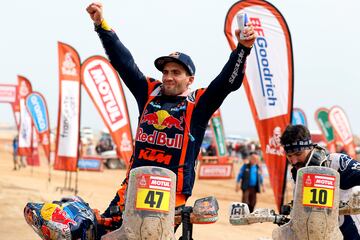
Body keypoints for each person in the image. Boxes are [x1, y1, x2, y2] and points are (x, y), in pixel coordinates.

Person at [86, 2, 256, 234]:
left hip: (170, 196)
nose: (168, 77)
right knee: (100, 233)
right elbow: (124, 64)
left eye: (176, 72)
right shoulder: (149, 91)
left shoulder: (198, 104)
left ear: (190, 79)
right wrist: (101, 25)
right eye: (165, 72)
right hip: (132, 187)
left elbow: (227, 82)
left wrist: (243, 49)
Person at [280, 124, 360, 240]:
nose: (293, 161)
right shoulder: (297, 174)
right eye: (289, 156)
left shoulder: (336, 162)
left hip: (352, 233)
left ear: (310, 147)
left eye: (298, 154)